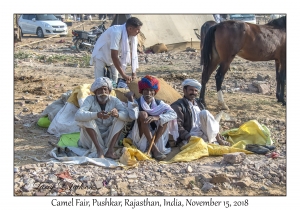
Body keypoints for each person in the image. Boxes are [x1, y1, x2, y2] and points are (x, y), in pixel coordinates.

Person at [74, 77, 130, 159]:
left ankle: (110, 151)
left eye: (105, 89)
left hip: (108, 138)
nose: (103, 92)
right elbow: (78, 115)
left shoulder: (114, 100)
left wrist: (117, 114)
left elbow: (127, 116)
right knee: (87, 120)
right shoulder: (90, 99)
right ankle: (99, 150)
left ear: (109, 91)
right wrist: (97, 115)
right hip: (91, 140)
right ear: (95, 92)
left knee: (120, 120)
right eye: (99, 90)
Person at [124, 75, 178, 160]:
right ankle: (154, 150)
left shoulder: (159, 103)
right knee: (143, 114)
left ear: (154, 92)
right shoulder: (137, 102)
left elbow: (173, 114)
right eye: (146, 90)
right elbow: (133, 116)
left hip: (155, 136)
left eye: (151, 90)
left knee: (164, 119)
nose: (148, 93)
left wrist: (157, 117)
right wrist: (130, 99)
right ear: (142, 91)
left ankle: (152, 147)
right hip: (140, 135)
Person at [170, 79, 230, 146]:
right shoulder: (178, 106)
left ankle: (218, 138)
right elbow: (178, 126)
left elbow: (208, 122)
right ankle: (215, 140)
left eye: (195, 91)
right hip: (191, 135)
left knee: (205, 113)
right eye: (191, 90)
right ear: (184, 90)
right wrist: (187, 136)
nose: (193, 92)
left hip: (203, 132)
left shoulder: (199, 103)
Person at [90, 17, 143, 84]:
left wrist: (134, 73)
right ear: (130, 28)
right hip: (100, 55)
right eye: (137, 30)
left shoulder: (132, 36)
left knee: (114, 81)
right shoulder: (116, 32)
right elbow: (114, 55)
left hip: (112, 58)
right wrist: (123, 75)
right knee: (100, 82)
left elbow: (133, 54)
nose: (139, 32)